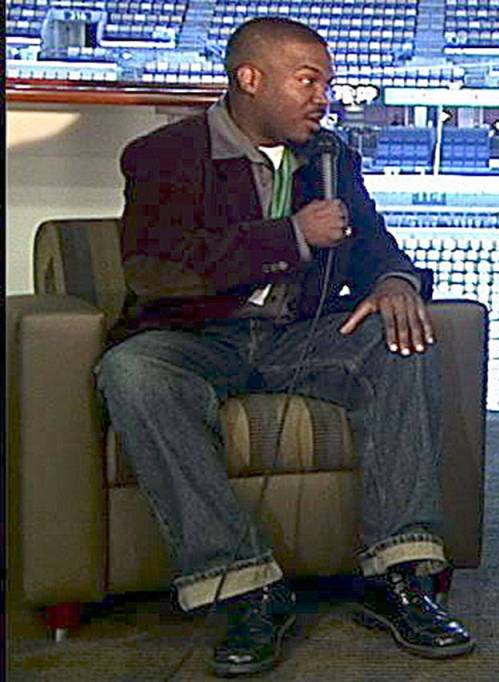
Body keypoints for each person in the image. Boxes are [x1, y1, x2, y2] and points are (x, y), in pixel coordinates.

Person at [95, 17, 473, 677]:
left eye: (326, 82)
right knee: (132, 372)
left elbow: (376, 243)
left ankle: (399, 572)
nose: (323, 96)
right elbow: (154, 271)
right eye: (308, 81)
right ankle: (244, 585)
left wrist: (393, 280)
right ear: (251, 78)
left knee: (402, 340)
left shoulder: (330, 158)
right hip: (196, 337)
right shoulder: (164, 156)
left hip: (302, 335)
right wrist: (289, 237)